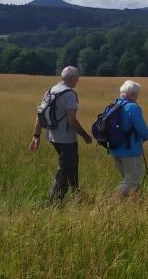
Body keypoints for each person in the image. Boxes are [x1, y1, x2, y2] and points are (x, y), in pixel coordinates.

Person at [29, 66, 92, 202]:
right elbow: (72, 121)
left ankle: (76, 196)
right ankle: (53, 202)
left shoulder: (51, 91)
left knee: (72, 165)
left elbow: (40, 115)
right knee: (65, 169)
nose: (78, 80)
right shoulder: (70, 94)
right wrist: (85, 135)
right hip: (66, 139)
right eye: (77, 77)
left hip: (52, 136)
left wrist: (36, 136)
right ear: (72, 78)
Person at [109, 80, 148, 196]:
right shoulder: (133, 107)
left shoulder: (114, 104)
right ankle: (110, 202)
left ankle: (135, 205)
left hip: (115, 149)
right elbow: (143, 131)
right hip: (130, 151)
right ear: (132, 93)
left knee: (132, 181)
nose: (137, 97)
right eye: (137, 94)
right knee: (132, 180)